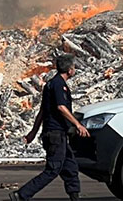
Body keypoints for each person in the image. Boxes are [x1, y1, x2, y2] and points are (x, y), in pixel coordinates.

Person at [11, 54, 89, 201]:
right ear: (69, 70)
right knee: (53, 169)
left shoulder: (51, 84)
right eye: (74, 67)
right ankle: (21, 195)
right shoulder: (58, 85)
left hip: (57, 134)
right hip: (55, 134)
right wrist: (77, 124)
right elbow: (61, 107)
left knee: (70, 167)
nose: (74, 69)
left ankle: (75, 196)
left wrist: (33, 133)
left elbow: (42, 111)